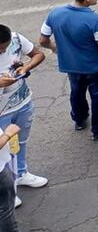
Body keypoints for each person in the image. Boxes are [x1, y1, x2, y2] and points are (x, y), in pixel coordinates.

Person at [39, 0, 98, 140]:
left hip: (70, 65)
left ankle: (79, 120)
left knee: (76, 92)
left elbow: (43, 40)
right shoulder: (95, 19)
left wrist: (55, 48)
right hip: (95, 66)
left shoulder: (55, 13)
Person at [0, 24, 46, 188]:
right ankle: (8, 187)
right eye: (0, 50)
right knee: (3, 148)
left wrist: (26, 67)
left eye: (5, 48)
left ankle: (21, 173)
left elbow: (38, 54)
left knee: (20, 141)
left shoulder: (16, 39)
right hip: (1, 112)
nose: (3, 52)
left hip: (23, 102)